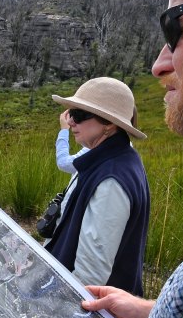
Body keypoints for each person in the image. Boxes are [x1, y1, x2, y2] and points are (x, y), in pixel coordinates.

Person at [83, 0, 183, 318]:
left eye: (173, 27)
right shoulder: (97, 165)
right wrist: (155, 312)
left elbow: (91, 264)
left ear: (109, 124)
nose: (158, 64)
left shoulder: (115, 176)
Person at [44, 77, 150, 296]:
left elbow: (90, 274)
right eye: (71, 113)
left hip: (85, 305)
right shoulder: (109, 159)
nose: (71, 122)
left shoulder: (112, 179)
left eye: (80, 115)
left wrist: (61, 307)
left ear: (109, 124)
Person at [55, 109, 89, 174]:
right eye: (72, 114)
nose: (69, 122)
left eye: (79, 115)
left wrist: (64, 130)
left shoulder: (96, 149)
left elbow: (63, 163)